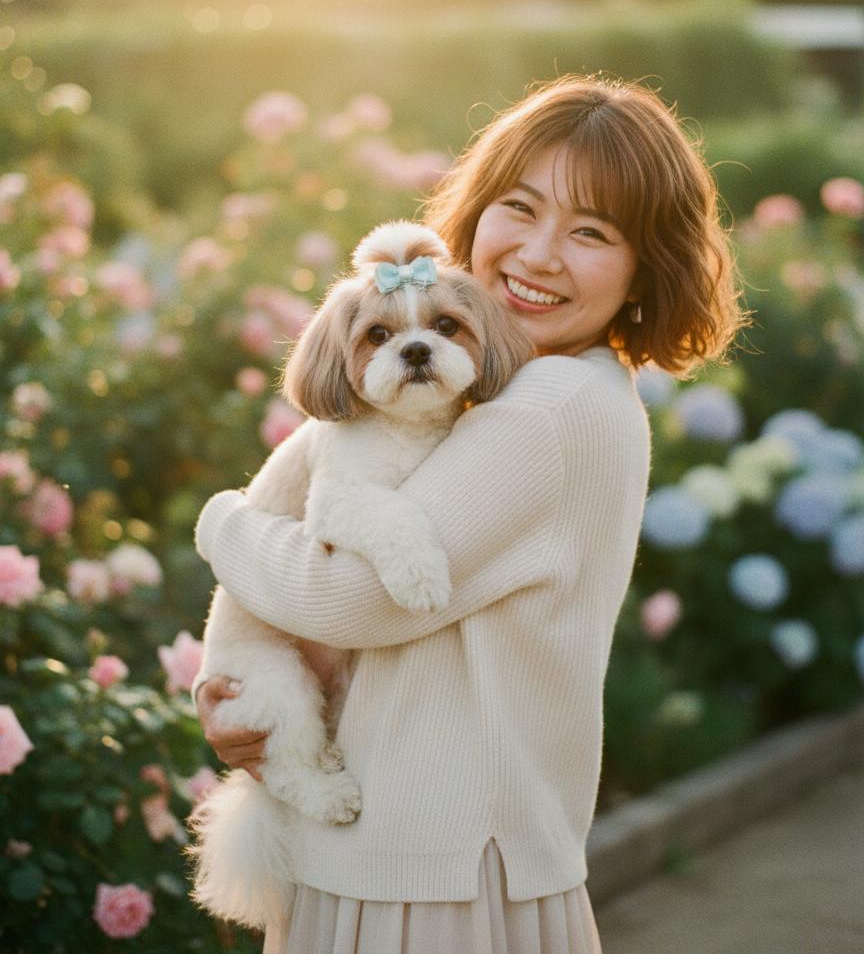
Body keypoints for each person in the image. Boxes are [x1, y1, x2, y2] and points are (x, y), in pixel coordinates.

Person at [193, 74, 749, 953]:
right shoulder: (534, 391)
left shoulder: (547, 411)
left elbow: (352, 597)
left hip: (431, 877)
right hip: (415, 850)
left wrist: (222, 525)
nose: (539, 254)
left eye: (592, 232)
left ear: (647, 269)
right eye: (519, 208)